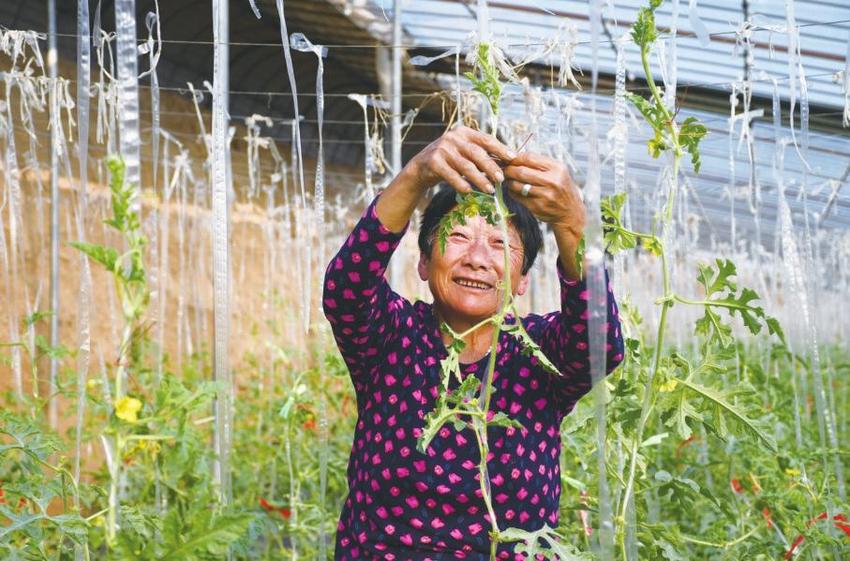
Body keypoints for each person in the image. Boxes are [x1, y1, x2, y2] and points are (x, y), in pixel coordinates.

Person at [323, 126, 624, 560]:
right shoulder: (392, 339)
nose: (478, 258)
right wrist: (416, 174)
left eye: (502, 244)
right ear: (424, 263)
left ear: (522, 281)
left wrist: (573, 222)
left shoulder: (538, 353)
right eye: (459, 236)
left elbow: (601, 345)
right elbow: (345, 290)